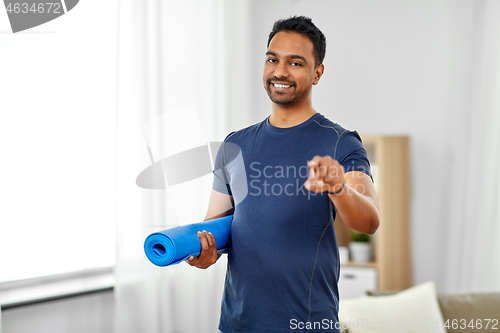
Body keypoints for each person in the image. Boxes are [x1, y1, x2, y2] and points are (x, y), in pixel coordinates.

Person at [186, 16, 380, 333]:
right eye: (273, 59)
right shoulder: (234, 145)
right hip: (238, 324)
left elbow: (369, 221)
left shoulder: (341, 143)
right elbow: (217, 224)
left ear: (317, 73)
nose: (280, 72)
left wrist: (338, 186)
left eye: (295, 63)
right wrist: (206, 251)